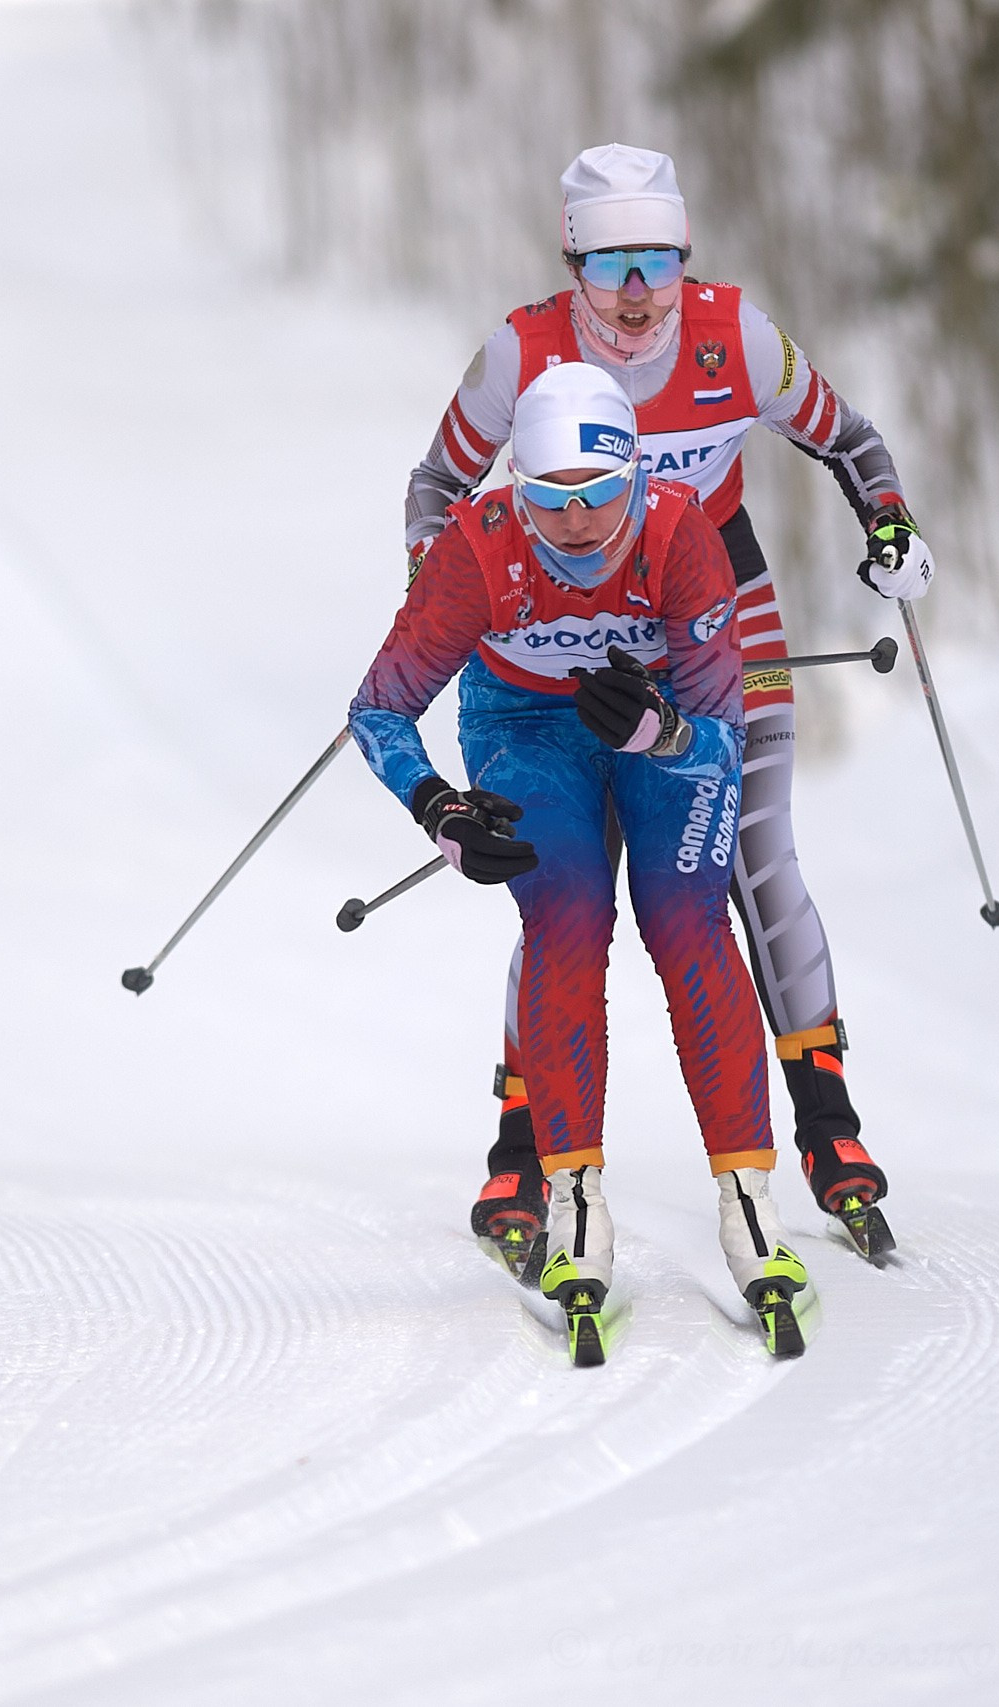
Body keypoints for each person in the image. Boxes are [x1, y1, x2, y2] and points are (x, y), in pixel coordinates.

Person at [405, 143, 922, 1268]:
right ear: (571, 265)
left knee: (751, 850)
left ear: (683, 256)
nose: (636, 295)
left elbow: (850, 441)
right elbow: (437, 486)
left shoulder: (733, 334)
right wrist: (444, 592)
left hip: (712, 601)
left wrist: (888, 525)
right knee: (560, 878)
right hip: (555, 628)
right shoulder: (521, 349)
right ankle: (521, 1144)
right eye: (608, 267)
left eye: (656, 262)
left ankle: (828, 1132)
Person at [354, 363, 812, 1360]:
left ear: (637, 477)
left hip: (660, 722)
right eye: (547, 499)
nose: (572, 521)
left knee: (686, 920)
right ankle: (572, 1199)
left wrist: (662, 732)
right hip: (522, 727)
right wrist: (439, 809)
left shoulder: (681, 531)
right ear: (512, 488)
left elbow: (725, 734)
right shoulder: (477, 549)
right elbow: (378, 708)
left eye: (598, 495)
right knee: (564, 920)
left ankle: (747, 1198)